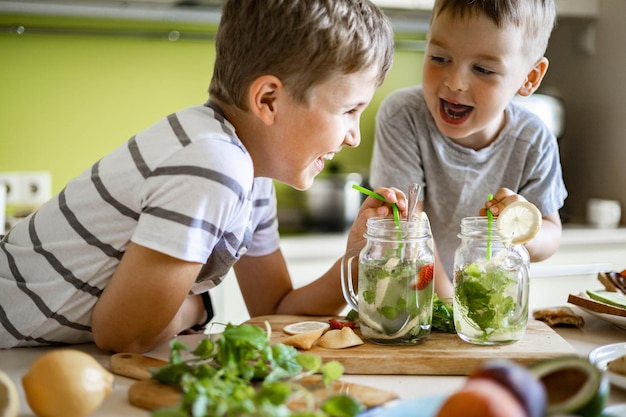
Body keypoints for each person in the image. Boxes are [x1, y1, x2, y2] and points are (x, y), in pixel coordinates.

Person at [0, 0, 398, 353]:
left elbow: (275, 312)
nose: (354, 136)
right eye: (349, 110)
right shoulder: (214, 165)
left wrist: (360, 258)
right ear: (268, 100)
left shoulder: (250, 175)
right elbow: (124, 336)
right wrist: (199, 307)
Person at [369, 0, 567, 298]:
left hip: (487, 304)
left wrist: (522, 226)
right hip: (407, 300)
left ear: (529, 78)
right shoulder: (403, 116)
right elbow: (409, 228)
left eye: (483, 69)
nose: (455, 82)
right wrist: (451, 304)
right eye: (439, 58)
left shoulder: (534, 140)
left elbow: (551, 235)